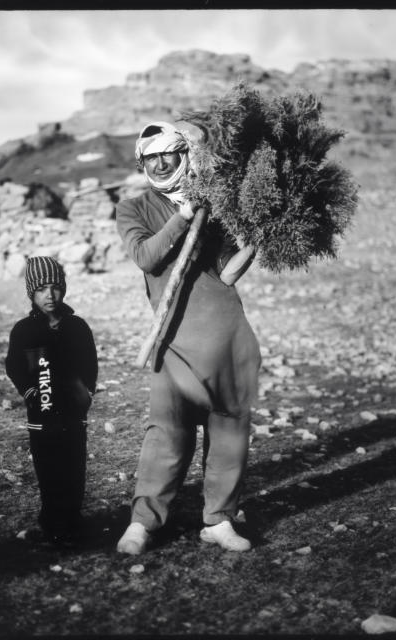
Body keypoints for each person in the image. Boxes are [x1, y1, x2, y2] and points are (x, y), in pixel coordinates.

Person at [114, 121, 262, 554]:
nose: (160, 164)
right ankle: (143, 522)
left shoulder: (213, 203)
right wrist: (183, 214)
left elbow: (228, 273)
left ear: (184, 155)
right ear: (142, 162)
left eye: (168, 155)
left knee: (230, 431)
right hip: (175, 339)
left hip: (228, 333)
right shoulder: (134, 208)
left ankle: (219, 519)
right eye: (150, 158)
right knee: (167, 434)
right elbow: (146, 256)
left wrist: (256, 239)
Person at [5, 256, 98, 548]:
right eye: (42, 288)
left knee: (74, 468)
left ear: (64, 289)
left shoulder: (77, 327)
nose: (50, 294)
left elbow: (90, 365)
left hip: (72, 415)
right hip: (41, 416)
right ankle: (51, 524)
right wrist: (29, 391)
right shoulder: (24, 331)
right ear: (31, 292)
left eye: (56, 287)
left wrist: (87, 393)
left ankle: (72, 522)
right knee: (48, 471)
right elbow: (14, 366)